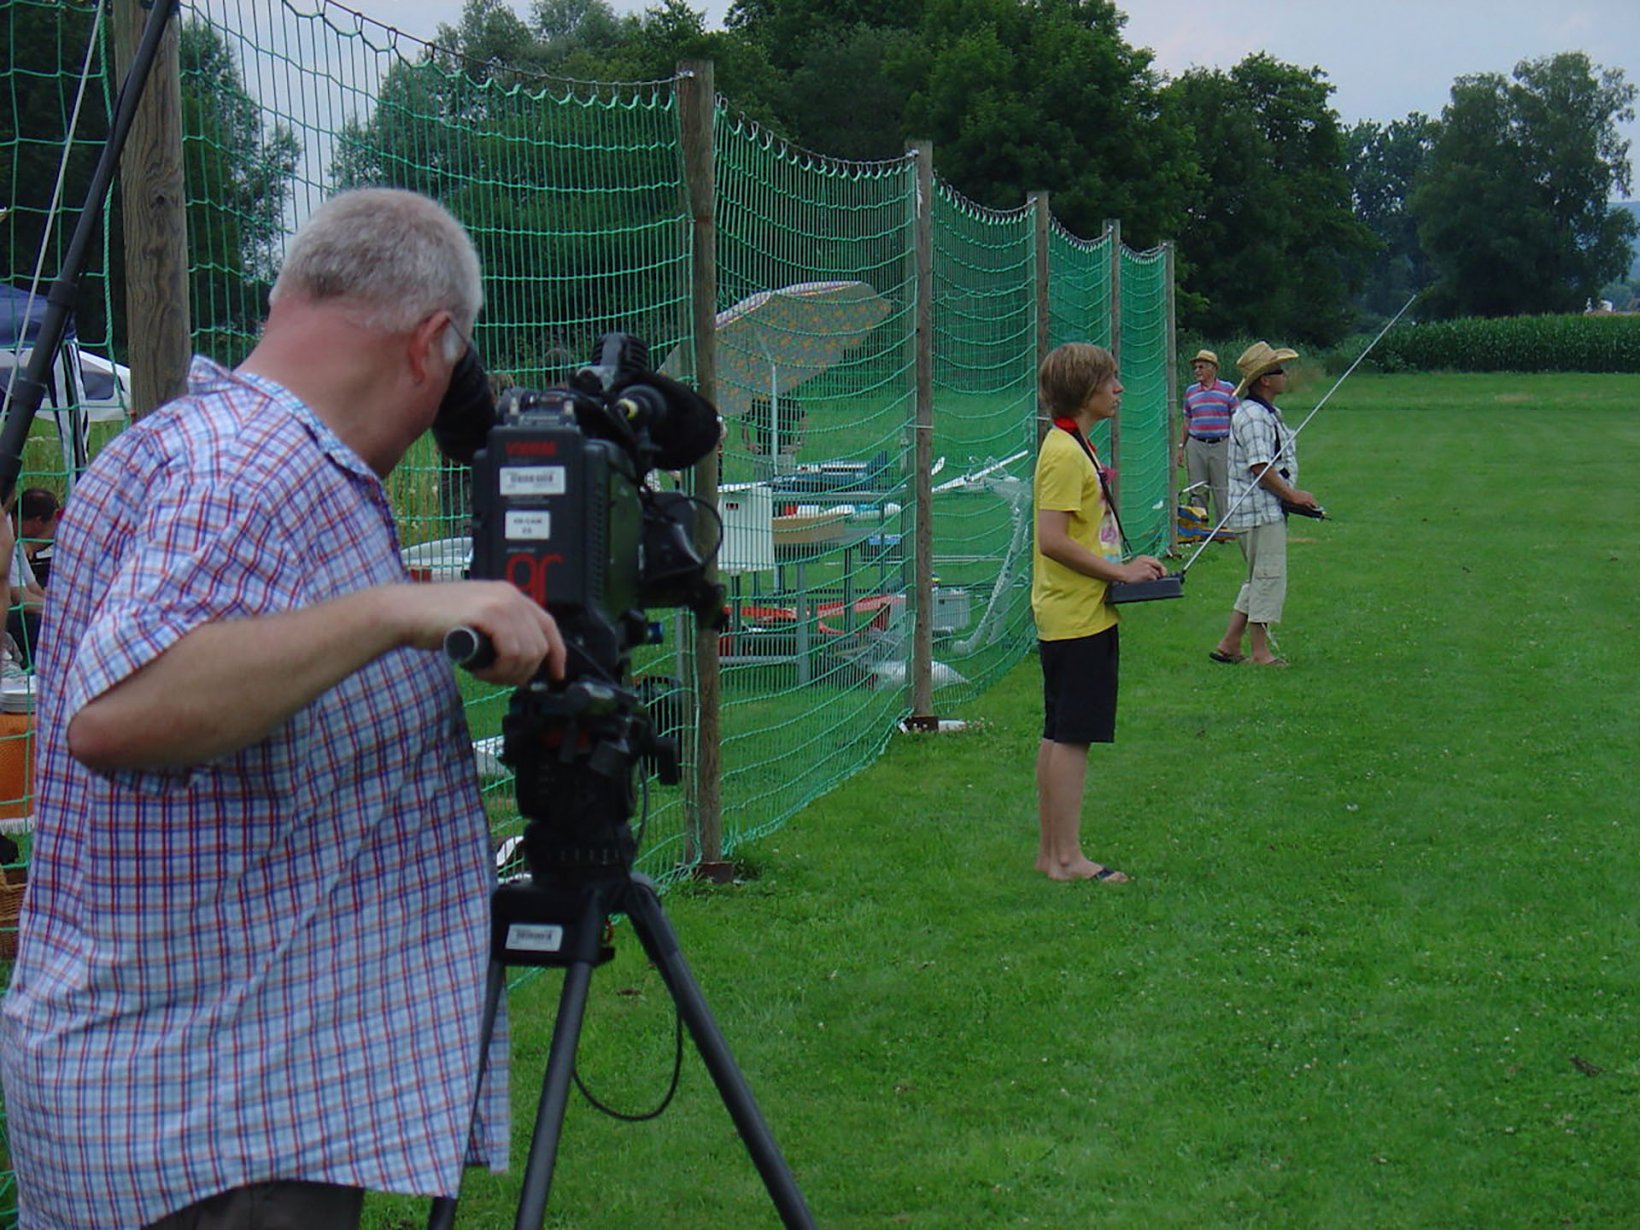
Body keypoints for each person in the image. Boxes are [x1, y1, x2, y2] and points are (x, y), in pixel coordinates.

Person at [0, 188, 566, 1230]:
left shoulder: (193, 443)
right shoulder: (253, 470)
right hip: (212, 1139)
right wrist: (397, 611)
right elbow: (119, 713)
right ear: (430, 343)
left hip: (194, 1109)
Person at [1031, 343, 1166, 883]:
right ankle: (1068, 859)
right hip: (1076, 616)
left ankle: (1051, 854)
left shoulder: (1072, 444)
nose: (1119, 389)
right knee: (1072, 736)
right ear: (1084, 390)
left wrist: (1125, 566)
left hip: (1076, 611)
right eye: (1110, 380)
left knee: (1059, 731)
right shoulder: (1065, 453)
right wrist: (1121, 574)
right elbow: (1052, 539)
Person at [1210, 341, 1320, 668]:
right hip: (1258, 511)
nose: (1285, 375)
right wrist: (1293, 496)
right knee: (1268, 577)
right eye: (1279, 371)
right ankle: (1260, 653)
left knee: (1258, 576)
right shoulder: (1254, 416)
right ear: (1265, 380)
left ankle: (1229, 644)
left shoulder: (1264, 412)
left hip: (1263, 510)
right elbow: (1260, 466)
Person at [1177, 348, 1235, 527]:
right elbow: (1187, 420)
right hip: (1196, 444)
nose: (1197, 371)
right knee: (1197, 488)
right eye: (1195, 367)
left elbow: (1236, 418)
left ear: (1213, 368)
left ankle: (1223, 527)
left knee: (1221, 488)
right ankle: (1199, 527)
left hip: (1221, 444)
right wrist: (1181, 447)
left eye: (1201, 367)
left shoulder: (1227, 389)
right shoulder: (1191, 392)